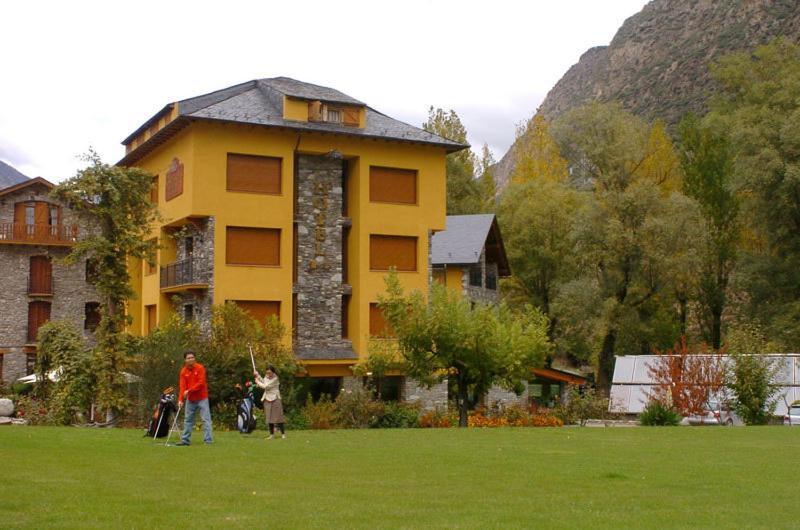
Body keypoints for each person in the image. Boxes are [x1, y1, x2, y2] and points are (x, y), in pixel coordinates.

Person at [176, 351, 213, 446]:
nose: (191, 359)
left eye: (192, 357)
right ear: (185, 360)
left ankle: (208, 441)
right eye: (188, 358)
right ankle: (185, 440)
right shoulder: (183, 371)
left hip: (202, 398)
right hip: (190, 399)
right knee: (188, 420)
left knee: (206, 419)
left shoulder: (200, 368)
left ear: (194, 358)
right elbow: (182, 387)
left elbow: (201, 383)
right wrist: (180, 400)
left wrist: (189, 391)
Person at [254, 364, 285, 439]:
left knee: (279, 417)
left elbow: (265, 386)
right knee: (269, 417)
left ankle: (283, 434)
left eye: (270, 373)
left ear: (273, 372)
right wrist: (257, 375)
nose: (268, 374)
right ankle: (271, 435)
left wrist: (257, 382)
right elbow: (263, 381)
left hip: (275, 398)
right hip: (267, 399)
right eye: (267, 373)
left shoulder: (275, 378)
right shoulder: (266, 377)